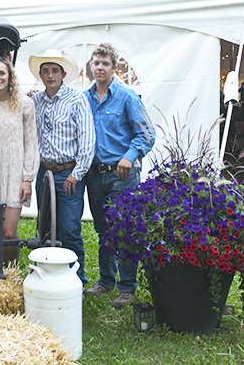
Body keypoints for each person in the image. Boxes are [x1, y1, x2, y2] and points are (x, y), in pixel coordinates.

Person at [84, 43, 155, 308]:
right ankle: (105, 281)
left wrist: (130, 155)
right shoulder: (85, 97)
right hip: (95, 175)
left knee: (124, 229)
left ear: (114, 68)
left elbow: (146, 134)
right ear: (91, 66)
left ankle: (127, 287)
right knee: (103, 229)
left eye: (105, 63)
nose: (99, 67)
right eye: (96, 63)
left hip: (121, 174)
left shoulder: (126, 96)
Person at [28, 49, 95, 285]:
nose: (50, 75)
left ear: (63, 74)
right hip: (44, 172)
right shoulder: (35, 100)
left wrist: (77, 174)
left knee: (69, 228)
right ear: (40, 75)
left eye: (54, 70)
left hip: (68, 173)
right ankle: (46, 273)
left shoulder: (77, 100)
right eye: (45, 71)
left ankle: (77, 279)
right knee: (44, 224)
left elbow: (87, 139)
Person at [0, 56, 38, 264]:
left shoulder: (25, 104)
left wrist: (27, 178)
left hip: (15, 174)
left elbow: (31, 143)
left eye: (1, 73)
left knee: (9, 232)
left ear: (10, 76)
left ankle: (11, 268)